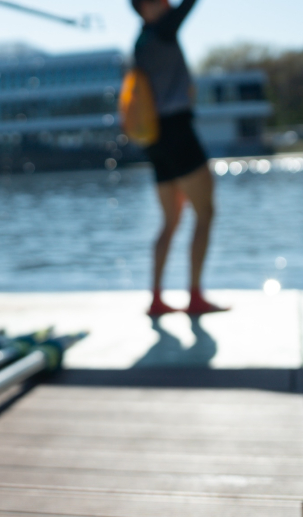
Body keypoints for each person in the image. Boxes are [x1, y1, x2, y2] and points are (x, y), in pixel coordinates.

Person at [131, 0, 223, 317]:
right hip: (177, 131)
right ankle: (195, 296)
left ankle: (156, 298)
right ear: (146, 6)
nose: (168, 3)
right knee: (206, 212)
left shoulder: (140, 40)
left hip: (153, 138)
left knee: (170, 222)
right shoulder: (163, 29)